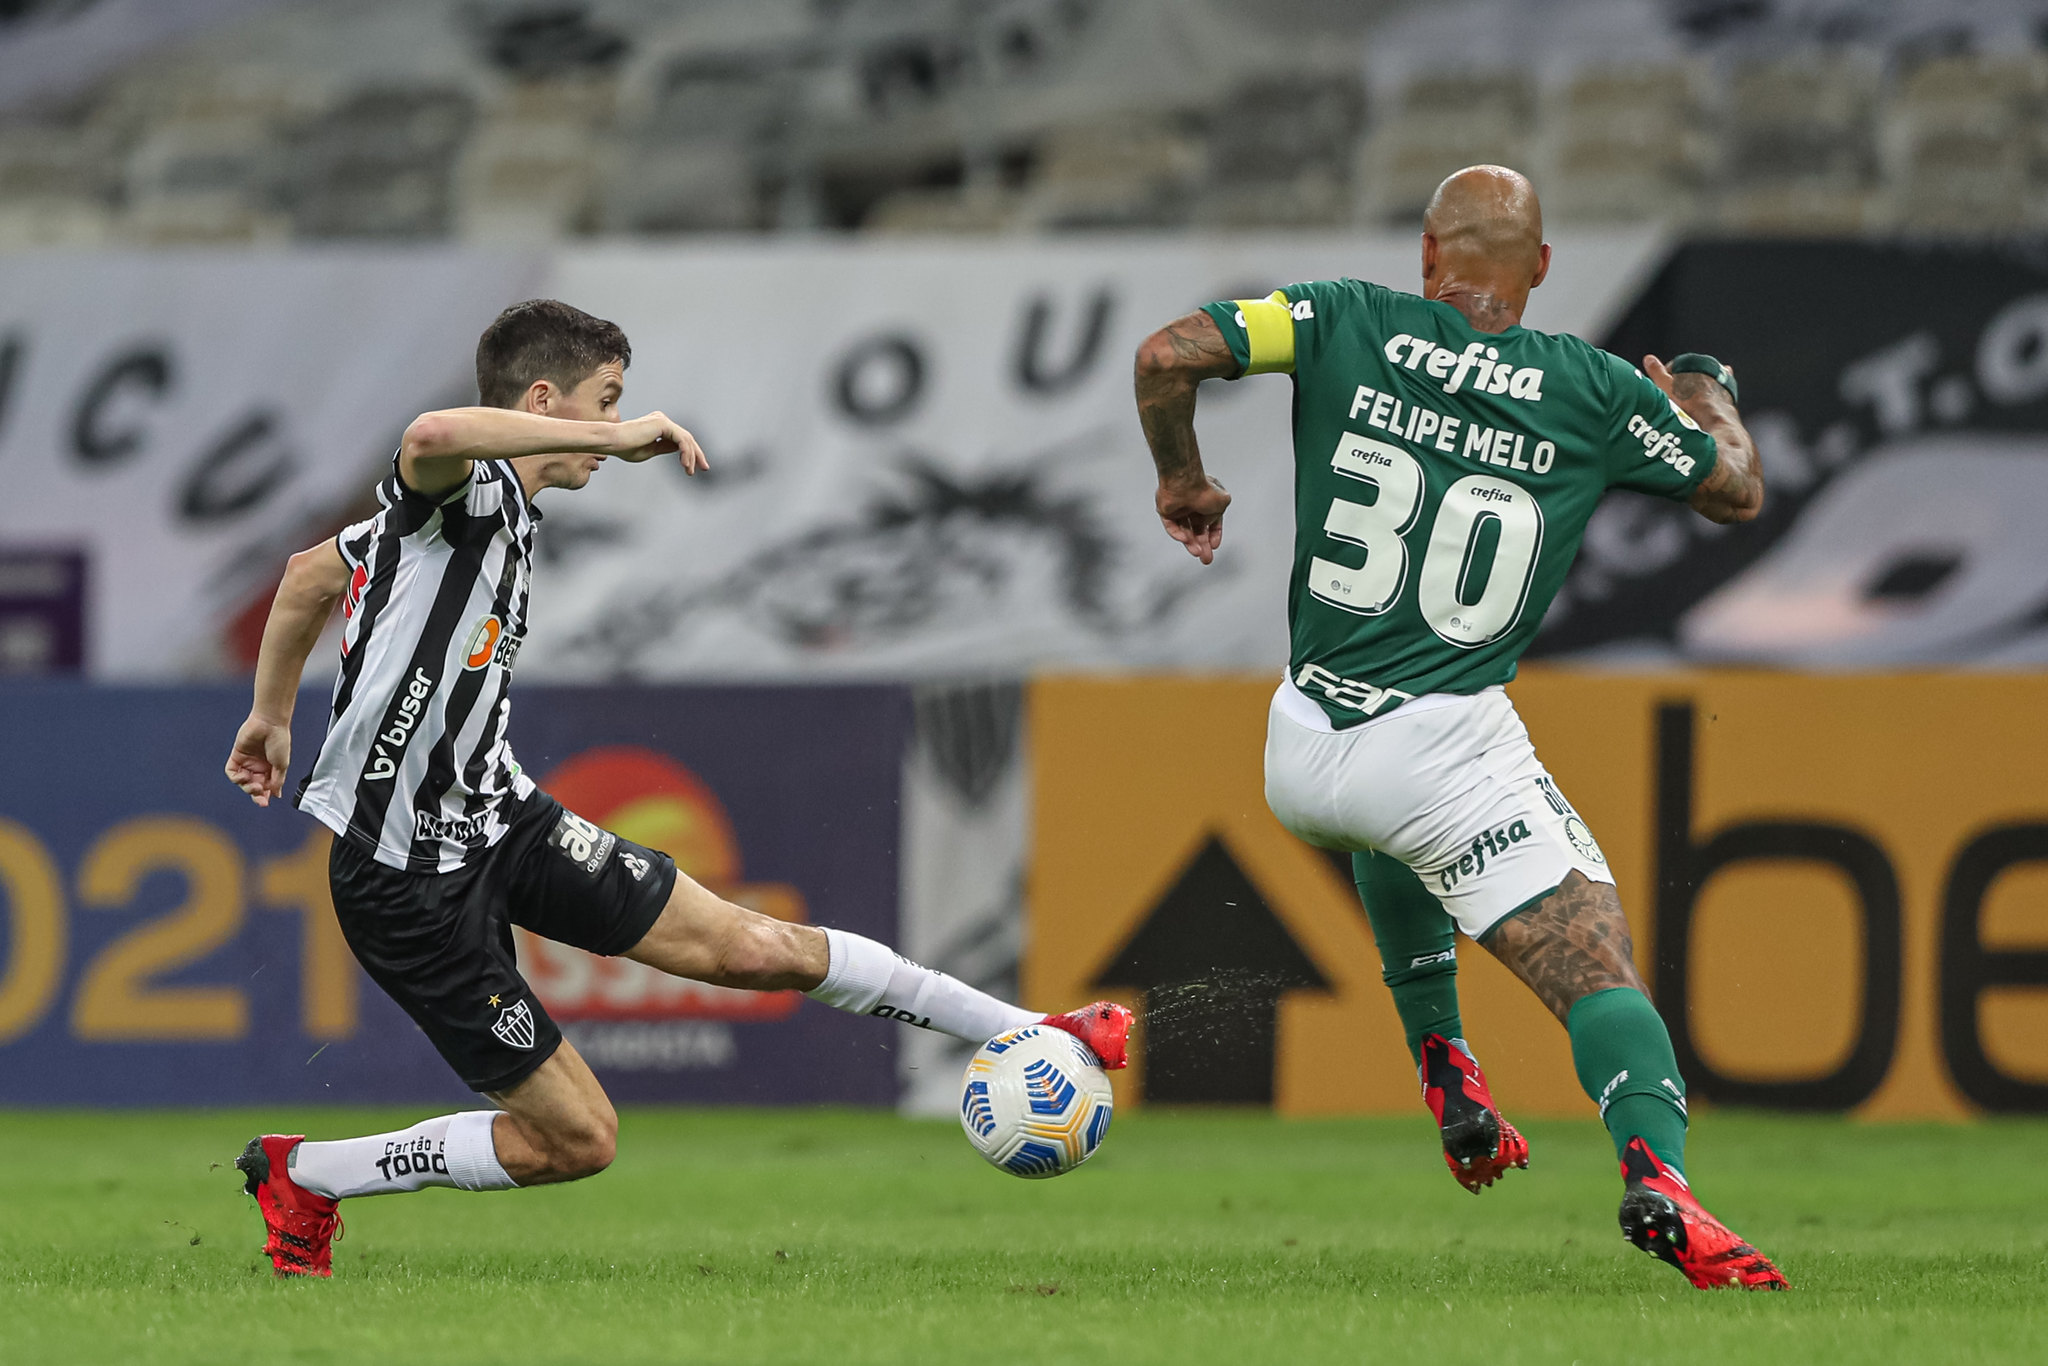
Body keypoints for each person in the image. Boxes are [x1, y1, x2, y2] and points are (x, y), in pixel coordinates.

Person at [224, 298, 1130, 1278]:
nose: (617, 423)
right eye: (607, 397)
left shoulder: (485, 519)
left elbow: (308, 574)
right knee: (578, 1140)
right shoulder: (461, 493)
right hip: (404, 883)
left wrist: (270, 715)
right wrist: (614, 437)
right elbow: (428, 435)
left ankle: (1032, 1028)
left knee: (756, 947)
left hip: (502, 818)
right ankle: (308, 1174)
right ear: (545, 402)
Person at [1130, 167, 1784, 1291]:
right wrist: (1701, 392)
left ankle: (1443, 1061)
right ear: (1541, 269)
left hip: (1303, 738)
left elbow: (1162, 356)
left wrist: (1182, 480)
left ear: (1427, 255)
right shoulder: (1590, 388)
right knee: (1595, 964)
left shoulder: (1337, 315)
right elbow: (1735, 490)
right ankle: (1662, 1180)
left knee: (1391, 829)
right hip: (1437, 742)